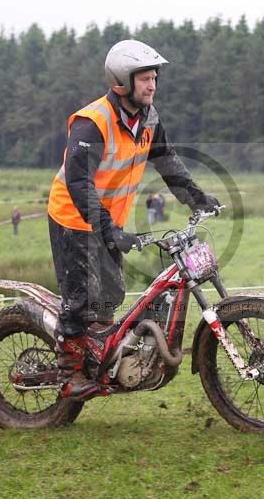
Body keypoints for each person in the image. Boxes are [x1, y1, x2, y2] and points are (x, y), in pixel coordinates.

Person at [46, 39, 219, 400]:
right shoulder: (92, 123)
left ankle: (101, 360)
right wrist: (108, 229)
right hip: (74, 219)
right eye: (144, 78)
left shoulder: (149, 119)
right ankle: (70, 371)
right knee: (79, 302)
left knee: (108, 297)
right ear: (121, 82)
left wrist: (197, 198)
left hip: (109, 221)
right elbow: (78, 183)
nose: (152, 85)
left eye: (154, 78)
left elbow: (168, 161)